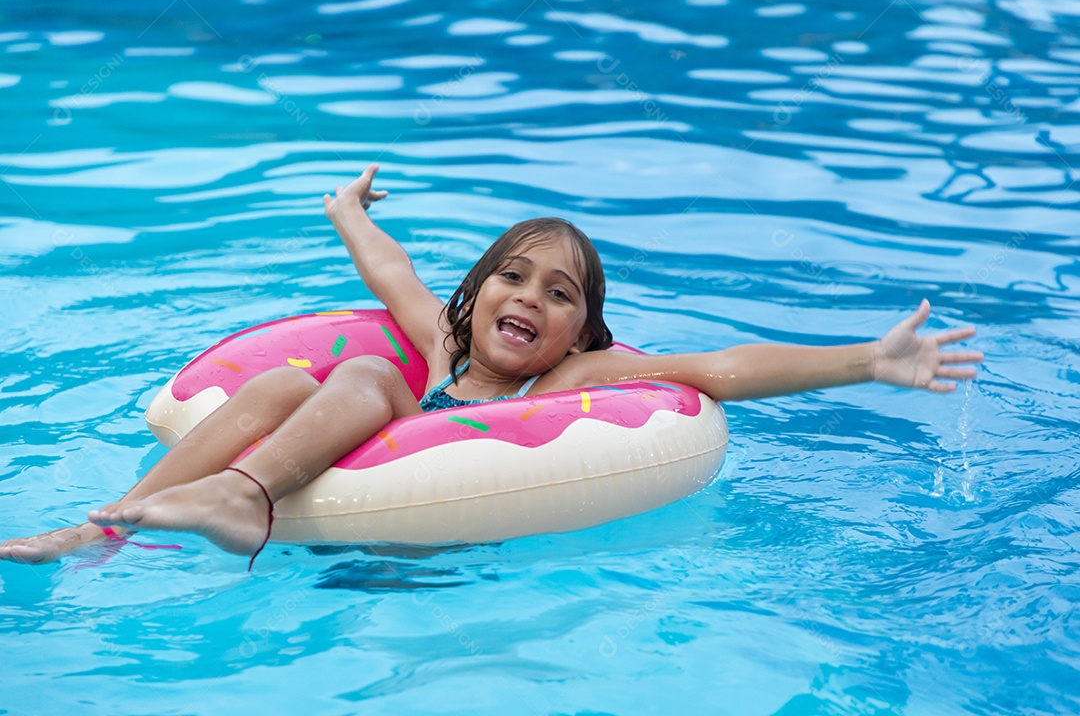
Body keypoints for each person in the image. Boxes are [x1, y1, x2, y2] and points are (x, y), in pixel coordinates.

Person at [0, 164, 984, 568]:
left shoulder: (567, 388)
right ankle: (105, 529)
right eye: (513, 277)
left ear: (584, 336)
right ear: (476, 299)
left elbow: (718, 369)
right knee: (283, 385)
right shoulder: (438, 343)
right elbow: (393, 273)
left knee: (361, 386)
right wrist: (349, 215)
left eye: (561, 295)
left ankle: (240, 494)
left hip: (416, 559)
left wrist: (868, 360)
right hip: (336, 517)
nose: (530, 299)